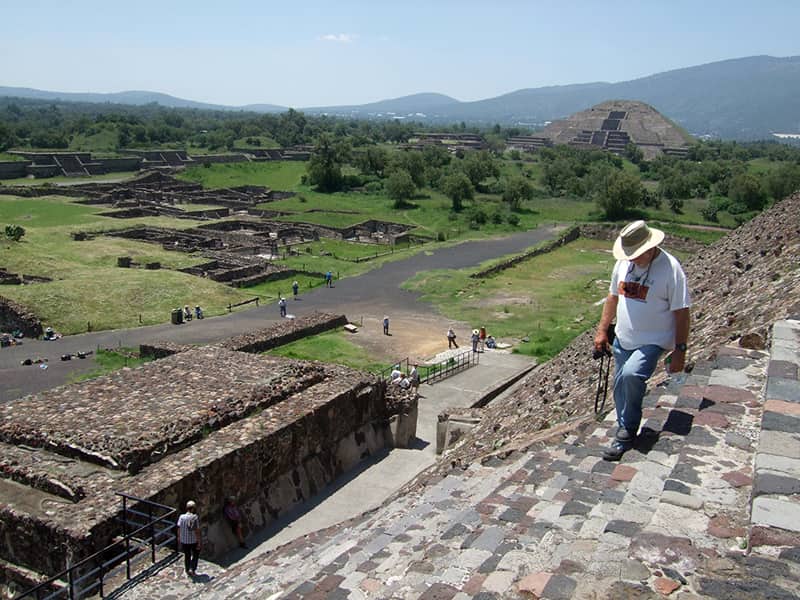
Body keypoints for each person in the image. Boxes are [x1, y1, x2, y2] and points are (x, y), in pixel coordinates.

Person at [594, 220, 691, 462]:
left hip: (653, 340)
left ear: (650, 248)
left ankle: (626, 431)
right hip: (624, 338)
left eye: (637, 255)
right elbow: (612, 297)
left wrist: (680, 350)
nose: (633, 259)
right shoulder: (623, 264)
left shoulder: (670, 269)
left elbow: (682, 311)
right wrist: (602, 330)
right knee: (619, 386)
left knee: (631, 375)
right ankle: (624, 423)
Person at [177, 500, 201, 577]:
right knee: (195, 555)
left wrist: (179, 538)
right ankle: (192, 568)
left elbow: (179, 528)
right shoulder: (195, 518)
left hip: (184, 540)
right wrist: (199, 541)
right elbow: (196, 531)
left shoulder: (181, 517)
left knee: (187, 555)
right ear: (193, 508)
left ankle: (187, 569)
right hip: (193, 540)